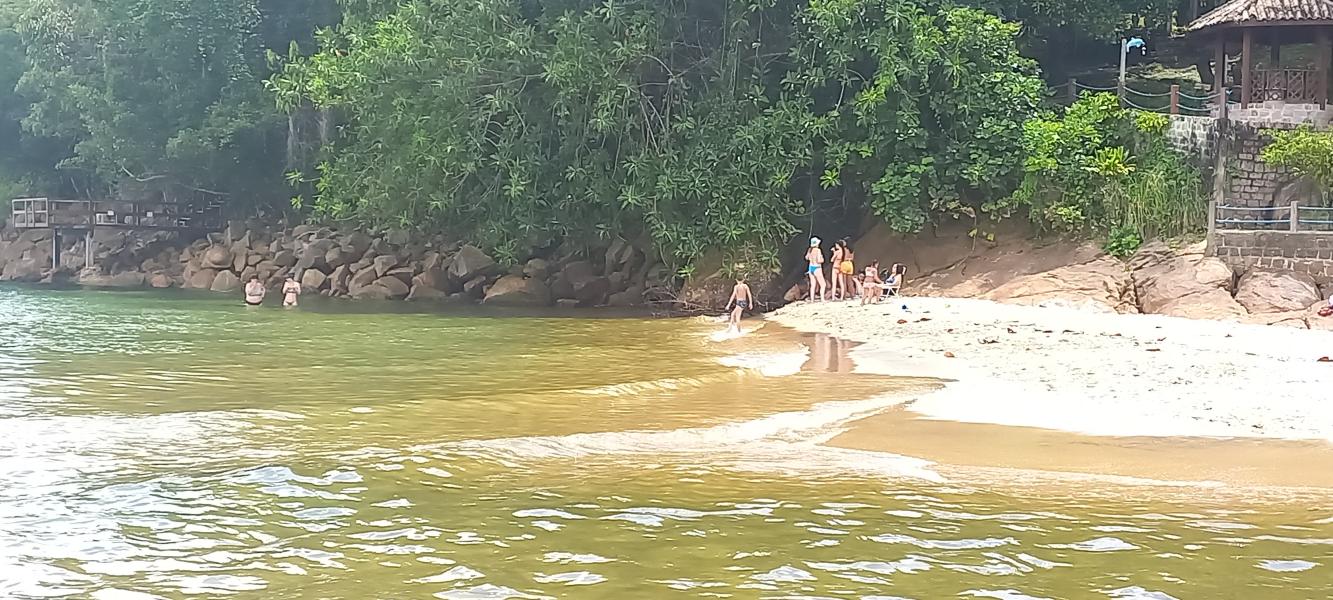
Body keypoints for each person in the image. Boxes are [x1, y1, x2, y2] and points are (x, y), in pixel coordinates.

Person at [805, 237, 826, 302]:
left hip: (810, 267)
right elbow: (819, 260)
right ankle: (822, 299)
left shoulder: (810, 250)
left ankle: (812, 299)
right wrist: (822, 259)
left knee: (813, 285)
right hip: (817, 267)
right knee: (823, 284)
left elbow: (807, 258)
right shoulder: (818, 250)